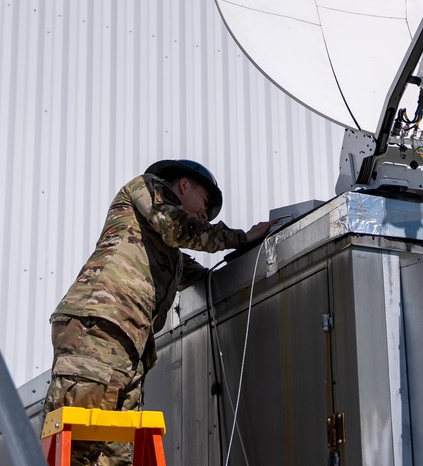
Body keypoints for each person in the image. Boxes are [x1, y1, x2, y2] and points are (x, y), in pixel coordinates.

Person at [43, 159, 273, 466]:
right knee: (77, 450)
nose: (204, 215)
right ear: (183, 185)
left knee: (116, 458)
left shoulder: (171, 255)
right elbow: (180, 228)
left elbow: (203, 274)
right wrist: (242, 237)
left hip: (128, 347)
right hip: (98, 327)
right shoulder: (148, 189)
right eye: (205, 204)